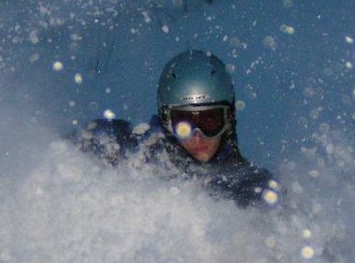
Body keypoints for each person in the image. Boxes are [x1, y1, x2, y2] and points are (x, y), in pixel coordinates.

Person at [77, 49, 279, 209]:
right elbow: (75, 148)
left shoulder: (248, 187)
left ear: (229, 119)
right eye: (185, 125)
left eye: (210, 121)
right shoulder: (135, 150)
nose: (198, 138)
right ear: (166, 121)